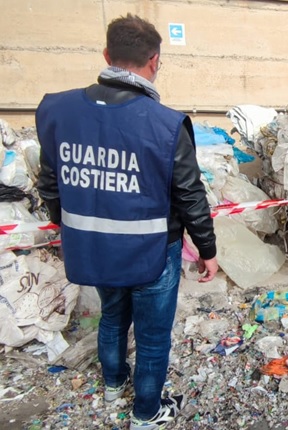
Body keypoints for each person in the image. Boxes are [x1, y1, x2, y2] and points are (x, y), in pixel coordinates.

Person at [36, 14, 218, 429]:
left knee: (113, 316)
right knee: (153, 336)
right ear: (154, 60)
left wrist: (70, 228)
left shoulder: (57, 109)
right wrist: (207, 250)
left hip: (95, 246)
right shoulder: (166, 123)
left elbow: (50, 184)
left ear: (106, 55)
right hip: (154, 251)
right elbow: (189, 195)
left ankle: (114, 384)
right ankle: (147, 412)